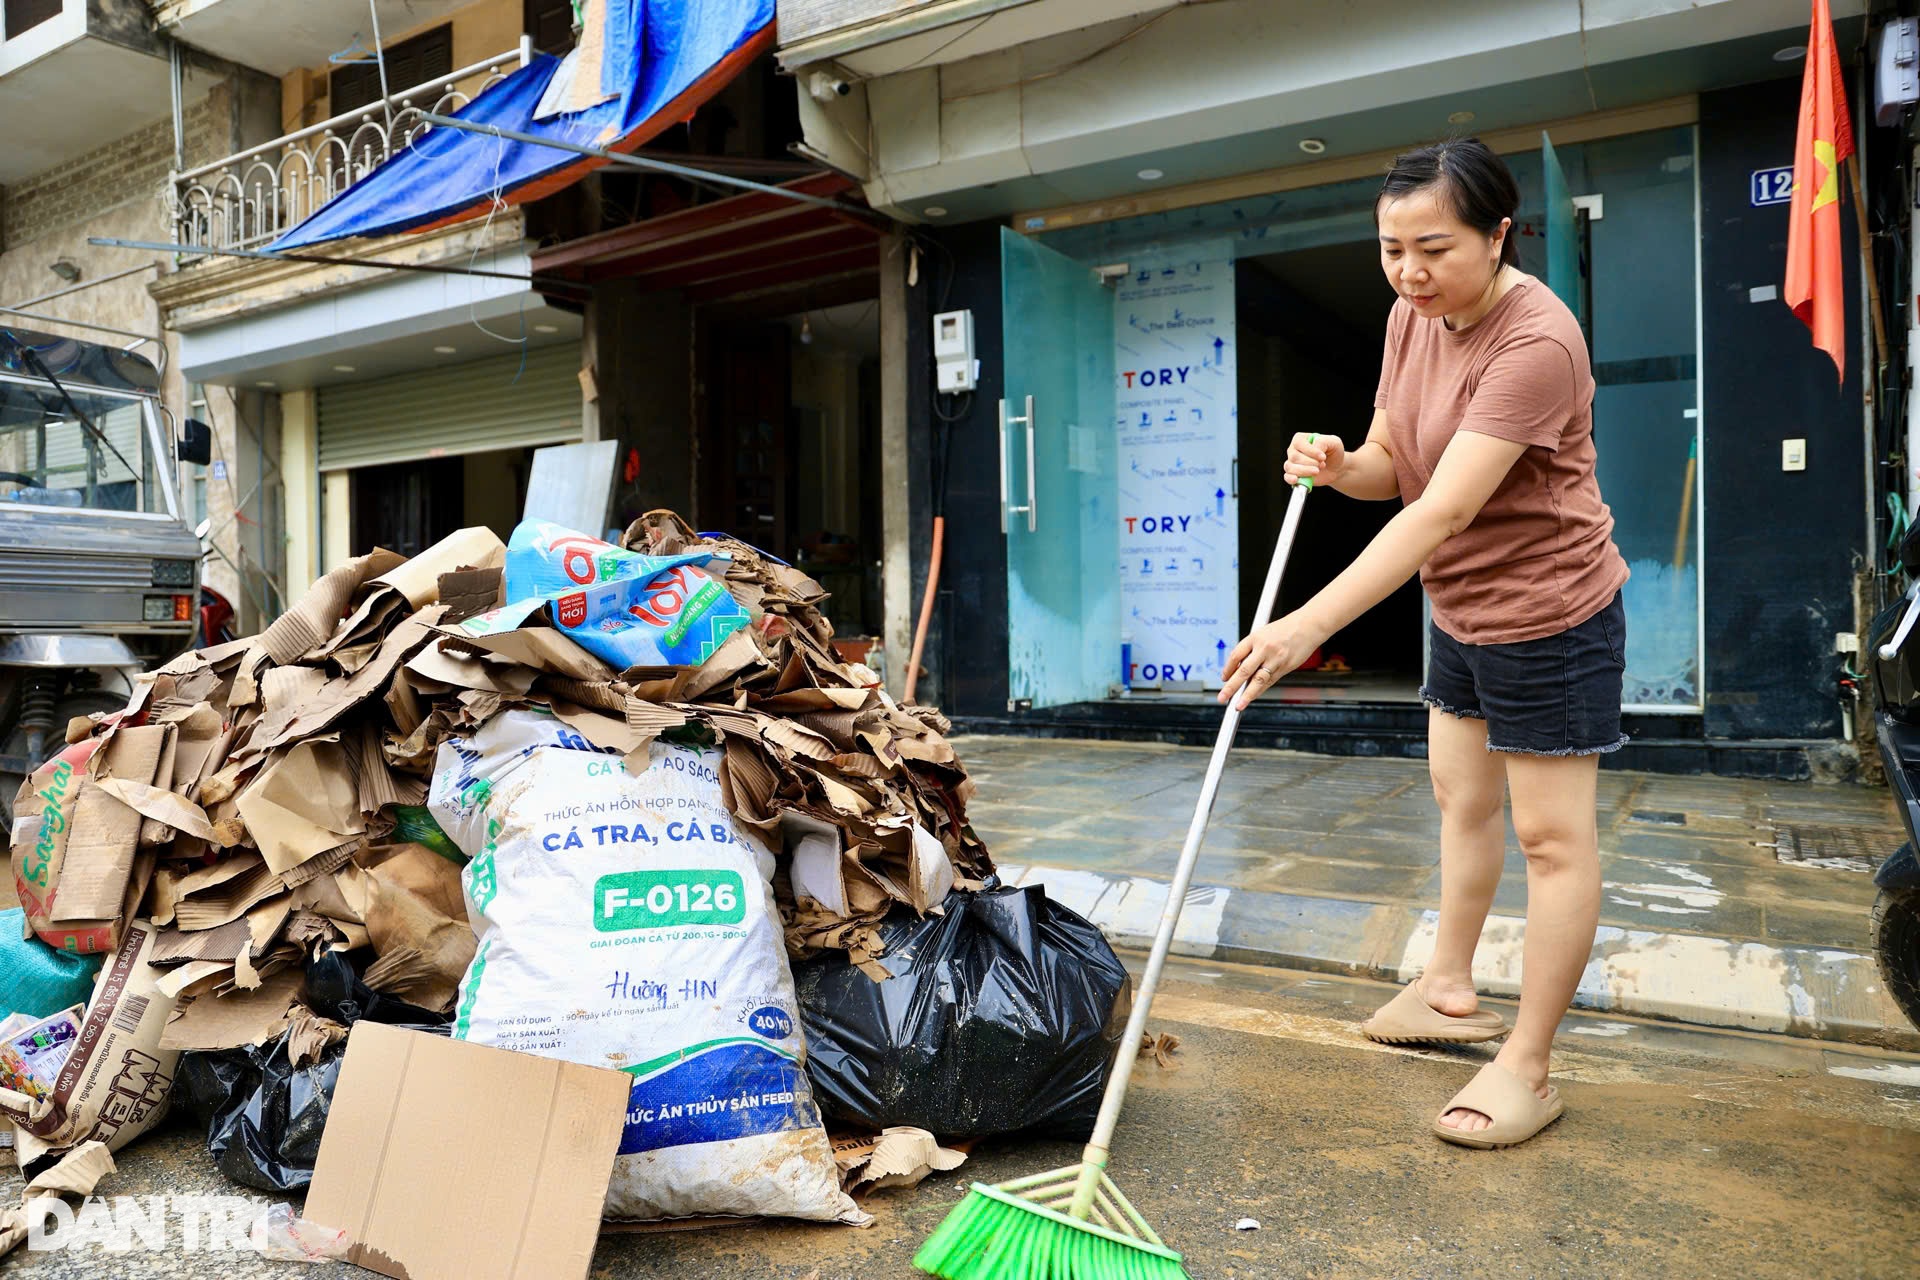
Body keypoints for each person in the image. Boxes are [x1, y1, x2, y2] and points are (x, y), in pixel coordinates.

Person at [1218, 137, 1628, 1150]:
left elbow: (1443, 509)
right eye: (1391, 248)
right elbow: (1392, 464)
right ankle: (1448, 985)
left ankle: (1529, 1064)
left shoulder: (1536, 341)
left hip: (1551, 612)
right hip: (1460, 609)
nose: (1408, 270)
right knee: (1461, 797)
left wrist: (1308, 625)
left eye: (1432, 247)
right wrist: (1334, 460)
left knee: (1552, 837)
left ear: (1497, 234)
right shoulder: (1414, 315)